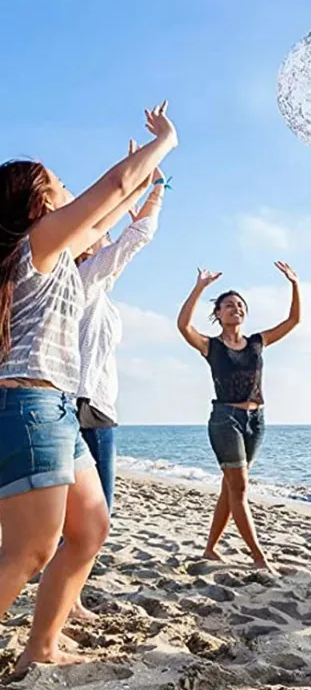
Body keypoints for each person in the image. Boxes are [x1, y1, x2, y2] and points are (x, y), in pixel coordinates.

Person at [0, 102, 178, 670]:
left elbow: (112, 213)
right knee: (30, 551)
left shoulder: (53, 250)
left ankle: (42, 647)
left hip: (55, 409)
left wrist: (148, 181)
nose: (69, 189)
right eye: (59, 184)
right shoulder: (36, 244)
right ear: (39, 203)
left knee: (91, 528)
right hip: (28, 403)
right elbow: (111, 189)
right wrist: (164, 142)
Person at [68, 160, 169, 622]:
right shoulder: (81, 281)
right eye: (100, 238)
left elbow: (128, 239)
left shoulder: (101, 293)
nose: (106, 240)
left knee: (97, 516)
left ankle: (71, 596)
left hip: (102, 409)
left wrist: (147, 187)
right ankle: (67, 599)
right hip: (77, 404)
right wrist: (153, 187)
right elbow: (136, 238)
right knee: (85, 518)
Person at [177, 262, 300, 569]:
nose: (236, 309)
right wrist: (200, 287)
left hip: (256, 421)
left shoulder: (258, 341)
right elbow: (183, 326)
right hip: (225, 420)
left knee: (230, 486)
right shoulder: (211, 346)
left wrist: (295, 284)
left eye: (240, 305)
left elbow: (294, 320)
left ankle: (210, 549)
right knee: (240, 487)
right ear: (217, 314)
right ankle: (259, 557)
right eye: (229, 305)